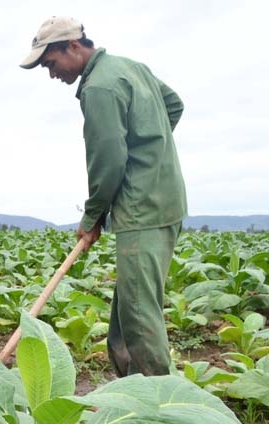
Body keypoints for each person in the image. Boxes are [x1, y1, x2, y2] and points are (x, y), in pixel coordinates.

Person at [20, 16, 187, 376]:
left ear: (73, 47)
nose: (52, 75)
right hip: (165, 200)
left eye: (51, 64)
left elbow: (108, 160)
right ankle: (130, 387)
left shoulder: (99, 87)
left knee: (139, 313)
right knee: (131, 305)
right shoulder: (130, 68)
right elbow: (173, 105)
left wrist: (92, 215)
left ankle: (160, 400)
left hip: (143, 208)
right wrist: (150, 150)